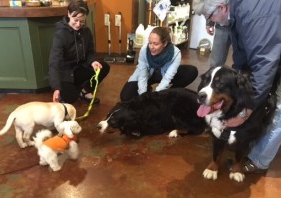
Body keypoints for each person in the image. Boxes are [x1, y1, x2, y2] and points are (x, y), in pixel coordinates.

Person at [193, 0, 281, 173]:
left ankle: (258, 161)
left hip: (271, 56)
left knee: (279, 107)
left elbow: (264, 64)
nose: (212, 22)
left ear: (222, 7)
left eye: (210, 17)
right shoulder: (236, 13)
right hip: (272, 53)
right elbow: (243, 57)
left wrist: (245, 111)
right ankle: (249, 140)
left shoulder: (254, 17)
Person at [49, 0, 110, 104]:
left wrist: (92, 61)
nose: (78, 24)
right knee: (70, 98)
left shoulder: (86, 32)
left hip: (80, 69)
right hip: (66, 74)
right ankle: (73, 90)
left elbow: (90, 52)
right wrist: (56, 87)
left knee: (103, 67)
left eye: (82, 21)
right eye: (75, 20)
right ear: (69, 14)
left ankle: (85, 91)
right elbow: (54, 63)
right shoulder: (60, 35)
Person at [120, 26, 198, 102]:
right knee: (125, 96)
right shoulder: (144, 50)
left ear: (165, 44)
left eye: (156, 44)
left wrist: (156, 96)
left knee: (192, 71)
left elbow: (167, 78)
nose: (151, 47)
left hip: (164, 74)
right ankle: (148, 89)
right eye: (150, 43)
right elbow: (142, 76)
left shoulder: (175, 53)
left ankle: (169, 94)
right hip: (148, 75)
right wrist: (143, 97)